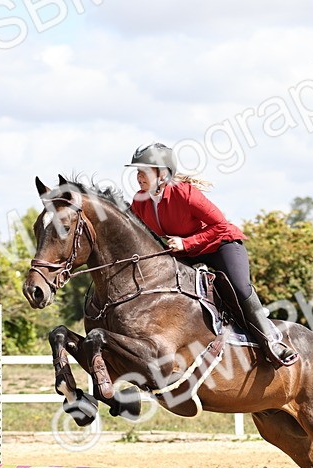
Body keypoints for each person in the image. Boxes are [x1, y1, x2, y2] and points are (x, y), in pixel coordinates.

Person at [125, 142, 298, 367]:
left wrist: (187, 243)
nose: (139, 176)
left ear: (163, 174)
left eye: (145, 171)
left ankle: (272, 339)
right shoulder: (140, 201)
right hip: (185, 254)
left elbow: (221, 225)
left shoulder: (185, 193)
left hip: (220, 246)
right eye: (137, 171)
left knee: (239, 286)